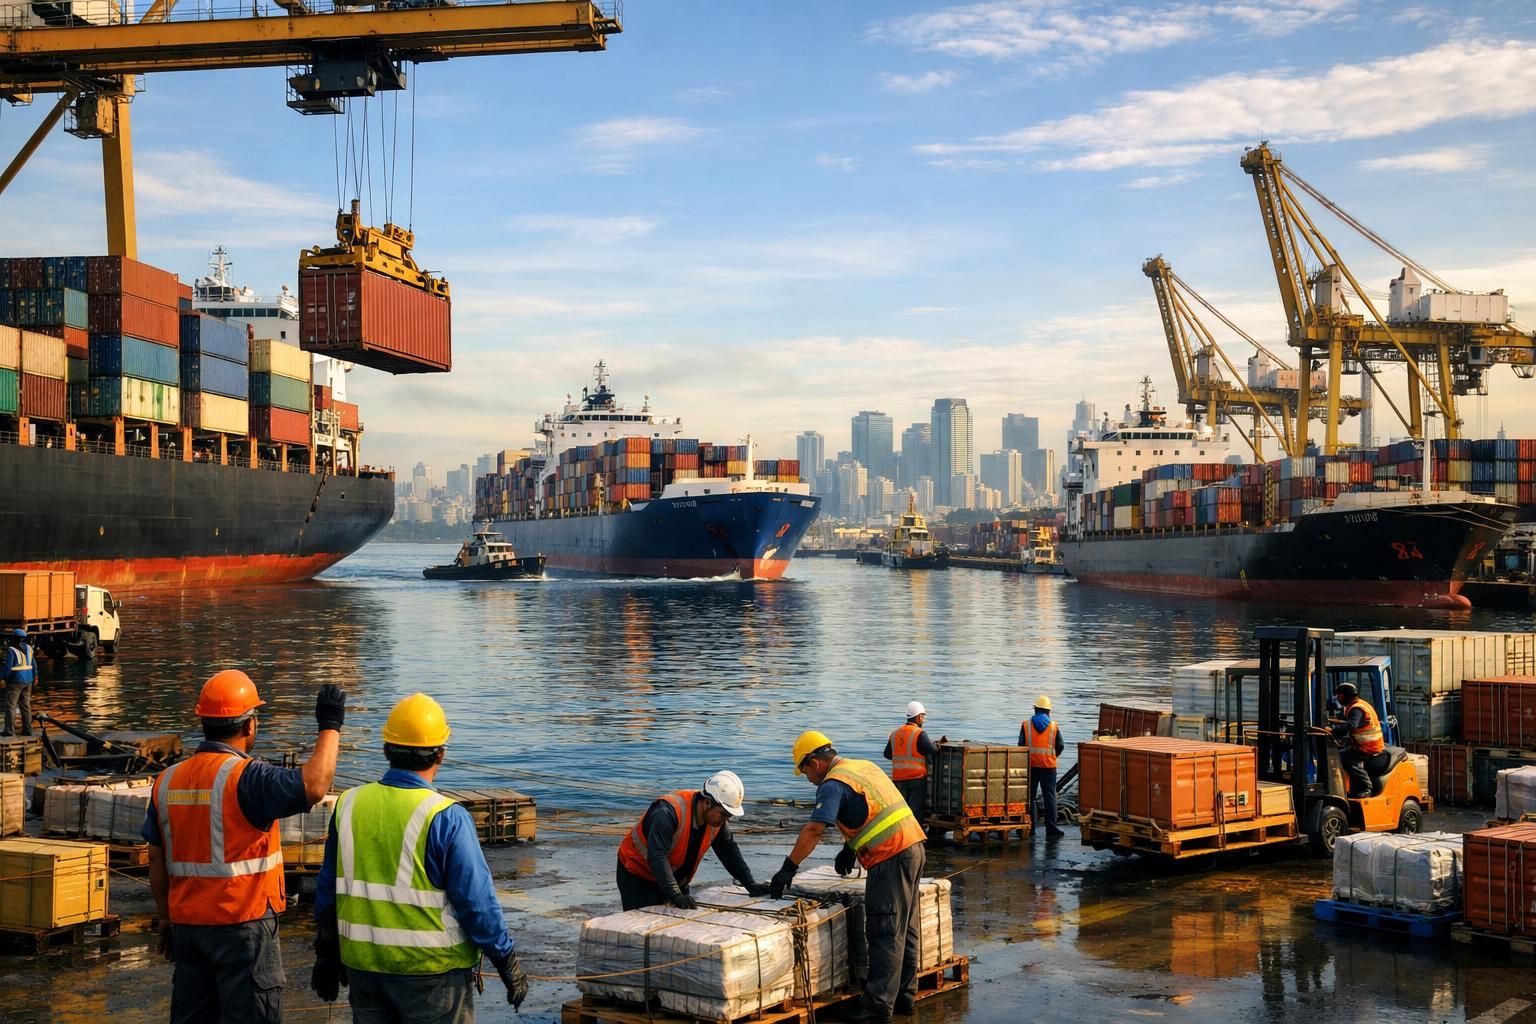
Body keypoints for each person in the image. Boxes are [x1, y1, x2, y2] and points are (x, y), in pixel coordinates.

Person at [143, 670, 345, 1024]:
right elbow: (314, 785)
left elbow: (157, 859)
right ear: (250, 726)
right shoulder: (249, 778)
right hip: (243, 926)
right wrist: (330, 724)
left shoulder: (167, 780)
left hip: (187, 928)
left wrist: (164, 919)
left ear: (203, 721)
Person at [312, 693, 529, 1021]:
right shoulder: (446, 817)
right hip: (433, 977)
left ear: (386, 750)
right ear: (440, 754)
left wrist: (327, 955)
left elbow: (327, 893)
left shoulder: (349, 805)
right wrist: (507, 962)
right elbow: (477, 904)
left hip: (364, 970)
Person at [771, 731, 926, 1024]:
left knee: (885, 930)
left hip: (890, 858)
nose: (807, 778)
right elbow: (875, 810)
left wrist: (788, 868)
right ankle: (904, 996)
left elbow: (814, 830)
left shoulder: (832, 784)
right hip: (913, 847)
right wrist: (849, 848)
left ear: (814, 762)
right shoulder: (862, 766)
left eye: (804, 771)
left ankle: (877, 1009)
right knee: (906, 927)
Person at [616, 770, 772, 910]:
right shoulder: (667, 812)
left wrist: (749, 884)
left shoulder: (716, 820)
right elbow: (657, 856)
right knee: (640, 930)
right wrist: (675, 894)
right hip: (637, 876)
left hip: (674, 878)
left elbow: (728, 851)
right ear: (707, 802)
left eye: (728, 816)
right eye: (723, 814)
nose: (725, 820)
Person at [1332, 682, 1389, 798]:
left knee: (1345, 759)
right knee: (1341, 753)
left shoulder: (1356, 709)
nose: (1338, 698)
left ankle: (1366, 787)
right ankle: (1351, 787)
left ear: (1346, 695)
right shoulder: (1359, 704)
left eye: (1339, 696)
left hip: (1368, 747)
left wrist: (1334, 731)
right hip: (1365, 745)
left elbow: (1352, 725)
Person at [883, 701, 936, 823]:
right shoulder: (919, 733)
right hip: (916, 779)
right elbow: (933, 751)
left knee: (901, 811)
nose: (923, 720)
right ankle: (916, 838)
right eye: (922, 717)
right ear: (918, 717)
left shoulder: (895, 734)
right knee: (916, 811)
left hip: (898, 779)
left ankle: (902, 835)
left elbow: (887, 754)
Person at [1020, 696, 1065, 839]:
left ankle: (1031, 828)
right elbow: (1060, 746)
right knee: (1050, 797)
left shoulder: (1026, 725)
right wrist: (1051, 756)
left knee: (1030, 798)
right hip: (1049, 767)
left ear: (1035, 709)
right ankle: (1051, 829)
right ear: (1048, 711)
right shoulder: (1054, 726)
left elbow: (1020, 747)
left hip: (1031, 766)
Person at [2, 628, 36, 737]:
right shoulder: (29, 648)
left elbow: (7, 667)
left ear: (14, 638)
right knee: (26, 706)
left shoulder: (11, 650)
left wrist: (2, 678)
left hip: (16, 681)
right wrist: (36, 677)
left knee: (11, 706)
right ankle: (28, 730)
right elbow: (34, 664)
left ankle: (9, 731)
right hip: (28, 680)